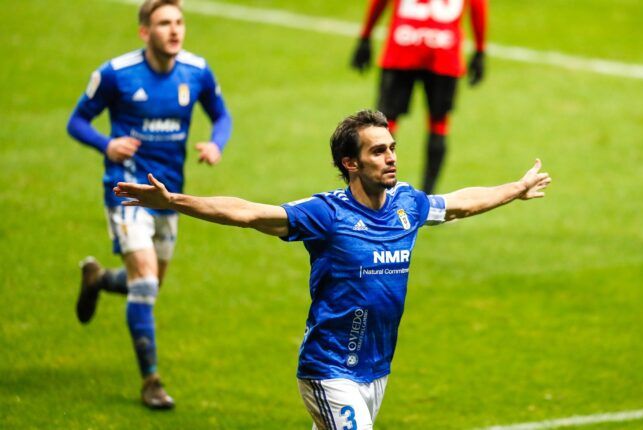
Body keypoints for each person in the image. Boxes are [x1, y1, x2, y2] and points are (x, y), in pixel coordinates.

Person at [114, 110, 550, 427]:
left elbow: (458, 204)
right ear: (351, 163)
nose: (391, 157)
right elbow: (248, 213)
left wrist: (516, 188)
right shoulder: (326, 214)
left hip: (376, 370)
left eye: (392, 148)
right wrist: (174, 202)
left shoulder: (408, 205)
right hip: (329, 369)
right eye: (378, 151)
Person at [66, 0, 232, 409]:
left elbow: (222, 115)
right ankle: (152, 382)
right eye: (163, 24)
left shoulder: (197, 71)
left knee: (151, 285)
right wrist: (108, 144)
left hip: (168, 195)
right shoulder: (116, 74)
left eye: (179, 22)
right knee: (143, 282)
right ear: (145, 32)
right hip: (125, 192)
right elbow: (76, 121)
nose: (174, 30)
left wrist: (216, 143)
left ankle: (99, 279)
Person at [351, 0, 488, 194]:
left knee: (385, 124)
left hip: (402, 47)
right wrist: (480, 50)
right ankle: (429, 199)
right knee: (438, 124)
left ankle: (375, 195)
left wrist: (365, 36)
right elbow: (477, 6)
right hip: (443, 52)